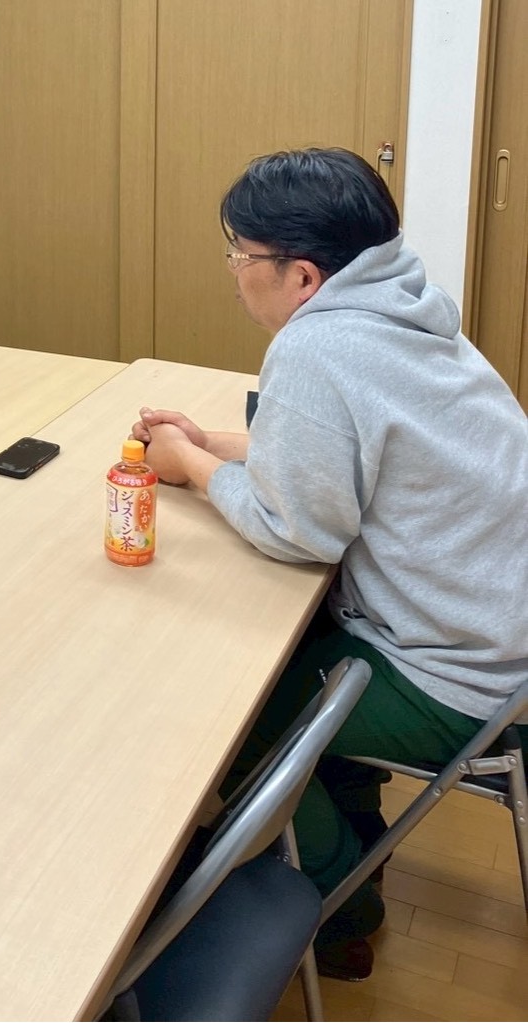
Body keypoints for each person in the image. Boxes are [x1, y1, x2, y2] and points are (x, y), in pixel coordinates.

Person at [131, 148, 528, 980]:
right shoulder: (403, 305)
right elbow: (349, 452)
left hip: (467, 677)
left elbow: (295, 530)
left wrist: (189, 468)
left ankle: (337, 898)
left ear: (302, 276)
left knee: (230, 719)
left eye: (239, 254)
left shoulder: (317, 346)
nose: (233, 272)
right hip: (497, 631)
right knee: (298, 659)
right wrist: (214, 443)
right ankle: (357, 845)